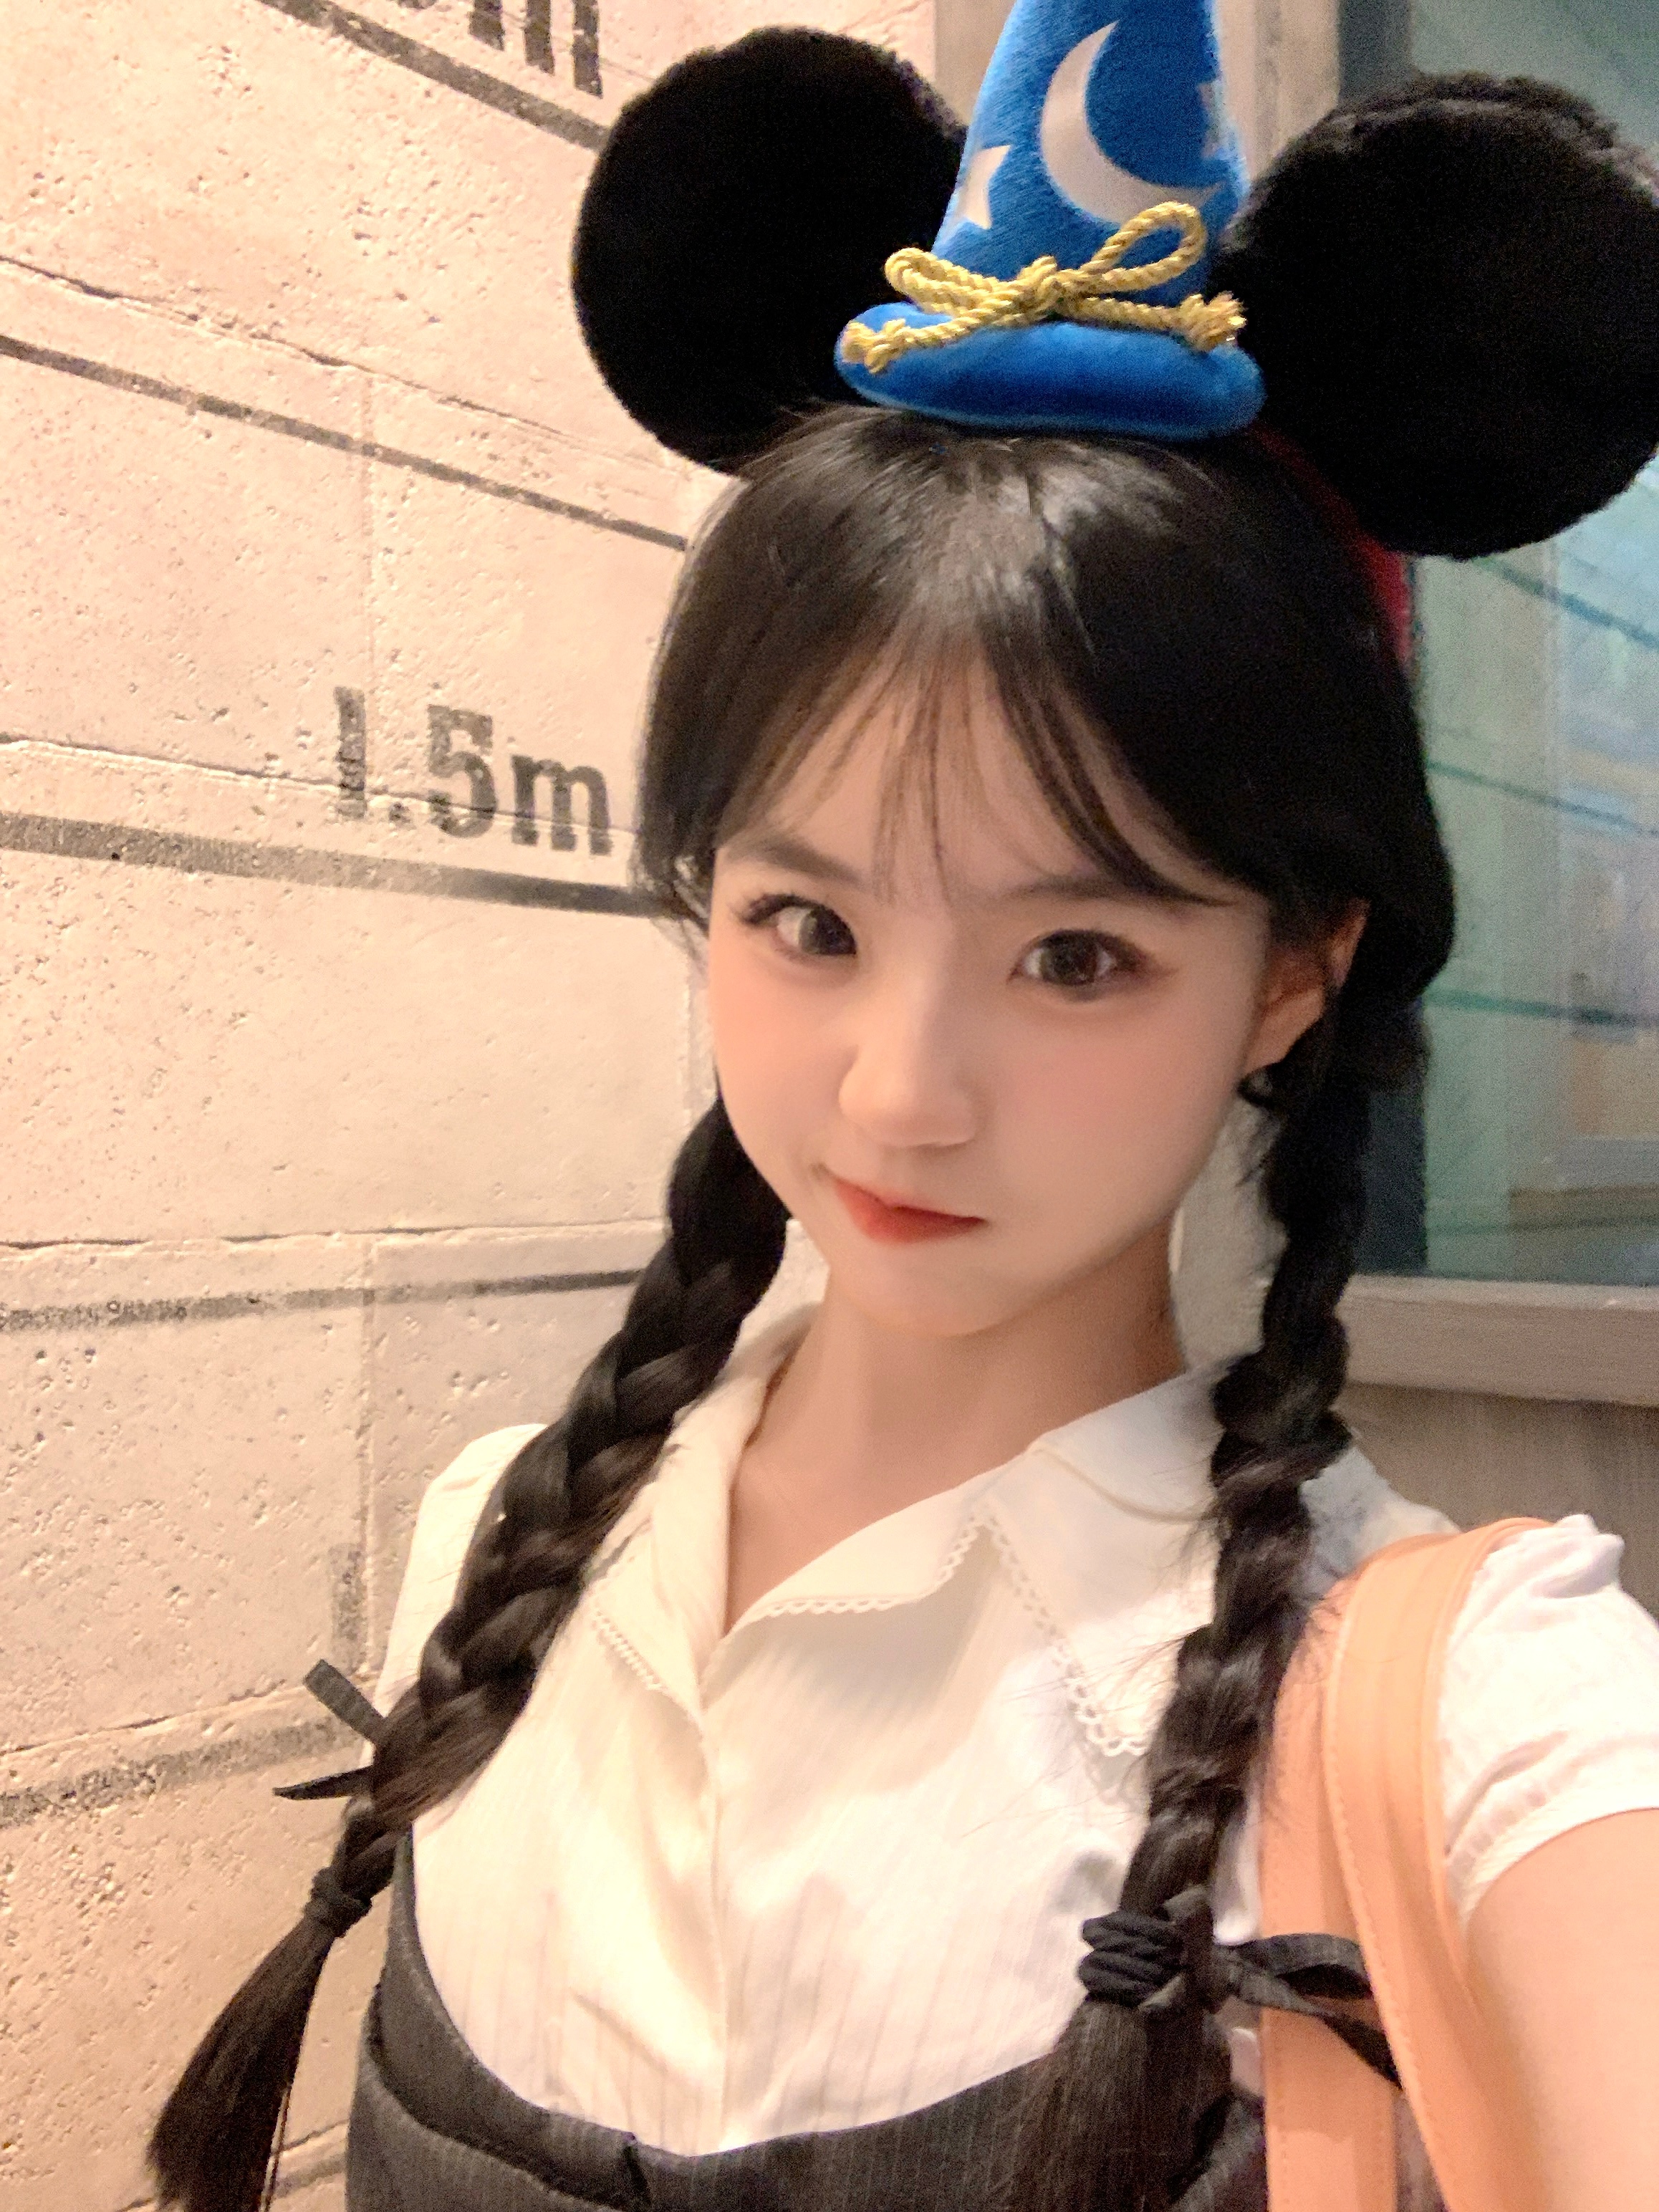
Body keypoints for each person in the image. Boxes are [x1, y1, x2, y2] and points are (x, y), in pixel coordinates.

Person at [150, 6, 1659, 2208]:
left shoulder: (1467, 1707)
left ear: (1295, 968)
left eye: (1075, 956)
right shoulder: (499, 1539)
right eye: (806, 922)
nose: (897, 1092)